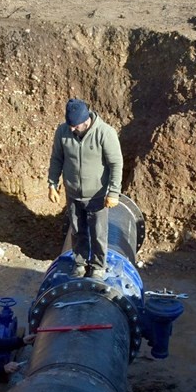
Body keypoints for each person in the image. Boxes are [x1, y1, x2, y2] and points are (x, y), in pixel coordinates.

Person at [47, 98, 124, 280]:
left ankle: (98, 266)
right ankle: (80, 263)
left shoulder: (105, 133)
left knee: (98, 234)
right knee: (76, 231)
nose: (72, 129)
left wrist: (113, 192)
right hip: (73, 194)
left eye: (75, 126)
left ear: (86, 120)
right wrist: (52, 184)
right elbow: (57, 158)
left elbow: (116, 163)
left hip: (97, 195)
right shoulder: (63, 131)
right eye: (70, 125)